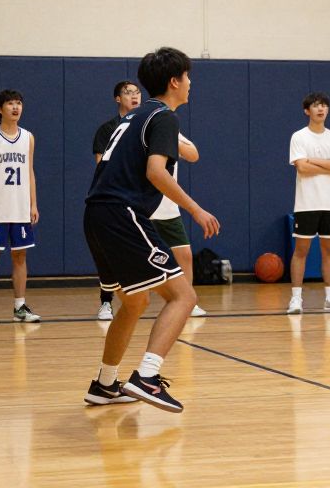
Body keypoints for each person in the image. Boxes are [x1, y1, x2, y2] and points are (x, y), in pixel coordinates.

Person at [83, 47, 220, 412]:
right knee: (184, 297)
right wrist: (196, 209)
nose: (191, 84)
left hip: (96, 213)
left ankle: (105, 383)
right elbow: (156, 172)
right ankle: (147, 376)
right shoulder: (162, 116)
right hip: (121, 212)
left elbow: (187, 155)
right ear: (174, 81)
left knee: (134, 301)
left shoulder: (135, 116)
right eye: (188, 77)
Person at [288, 92, 330, 314]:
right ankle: (296, 298)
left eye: (324, 105)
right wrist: (327, 164)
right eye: (315, 106)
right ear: (307, 110)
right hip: (306, 203)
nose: (320, 109)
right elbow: (301, 167)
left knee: (329, 249)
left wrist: (312, 159)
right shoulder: (299, 136)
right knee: (301, 250)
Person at [92, 80, 142, 320]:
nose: (134, 96)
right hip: (112, 198)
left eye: (137, 92)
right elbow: (101, 165)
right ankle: (105, 302)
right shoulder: (107, 129)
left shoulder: (145, 126)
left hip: (138, 197)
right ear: (117, 99)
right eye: (128, 92)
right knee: (110, 252)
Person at [0, 90, 40, 323]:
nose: (15, 107)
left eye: (19, 103)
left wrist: (33, 203)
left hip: (20, 207)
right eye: (10, 103)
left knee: (20, 257)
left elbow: (30, 171)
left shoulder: (27, 137)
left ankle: (19, 307)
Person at [150, 133, 207, 316]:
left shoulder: (170, 130)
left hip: (168, 208)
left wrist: (172, 139)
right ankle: (112, 302)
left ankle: (187, 301)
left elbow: (193, 155)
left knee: (184, 254)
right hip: (145, 206)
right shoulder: (142, 130)